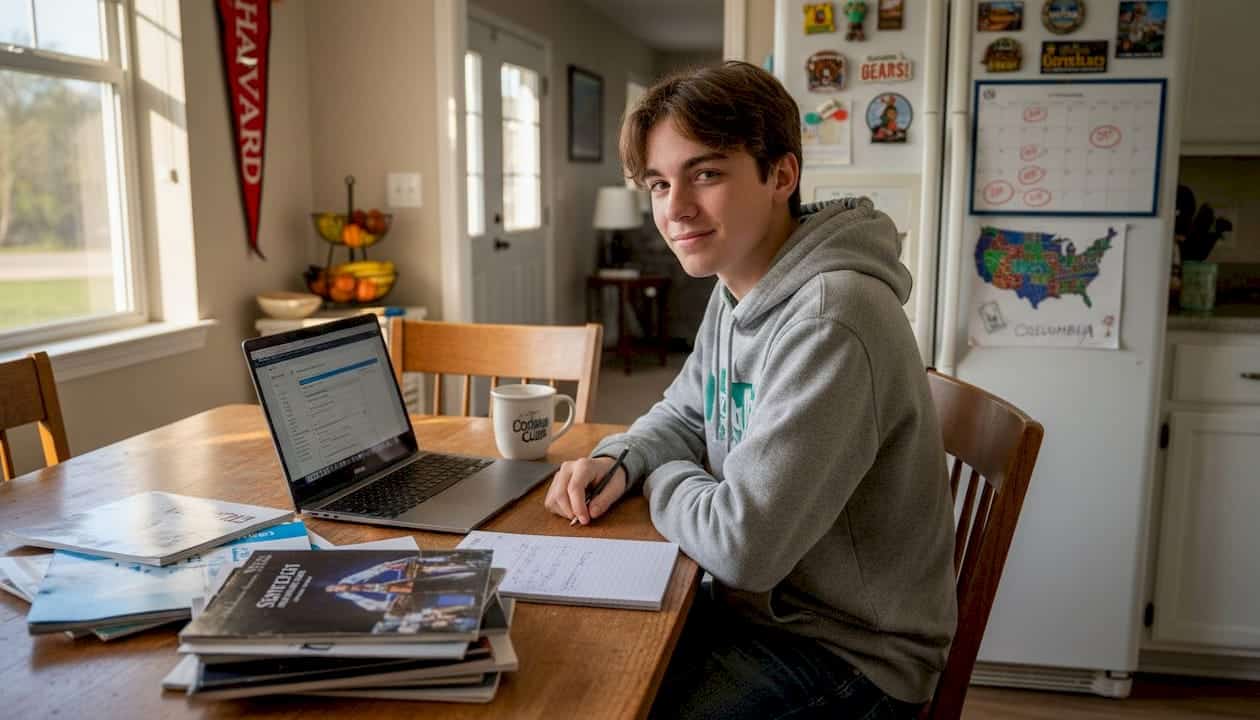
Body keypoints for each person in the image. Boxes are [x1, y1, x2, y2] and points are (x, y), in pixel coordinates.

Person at [543, 61, 956, 719]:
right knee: (569, 663)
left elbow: (742, 548)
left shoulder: (831, 317)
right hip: (764, 614)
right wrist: (622, 458)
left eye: (705, 174)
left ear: (781, 175)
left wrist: (658, 476)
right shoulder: (739, 285)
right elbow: (683, 409)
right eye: (658, 183)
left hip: (851, 655)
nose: (675, 208)